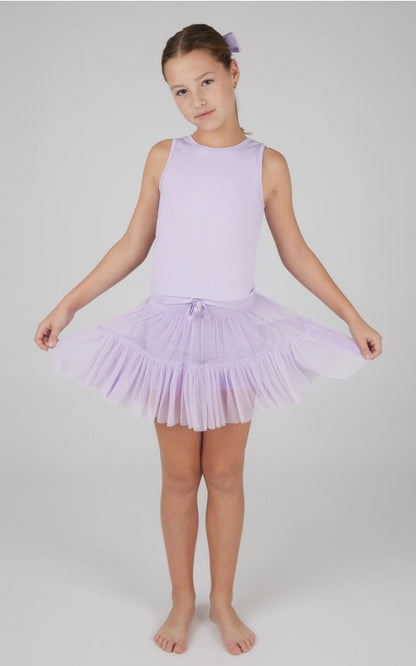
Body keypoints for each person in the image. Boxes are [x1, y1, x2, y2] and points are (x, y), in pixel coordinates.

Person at [34, 23, 382, 655]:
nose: (196, 100)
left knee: (223, 475)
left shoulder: (267, 164)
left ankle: (222, 601)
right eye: (179, 91)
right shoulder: (164, 157)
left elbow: (295, 252)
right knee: (177, 476)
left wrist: (351, 317)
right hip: (169, 334)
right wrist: (68, 304)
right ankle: (181, 599)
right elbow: (132, 245)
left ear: (233, 74)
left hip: (233, 337)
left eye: (206, 82)